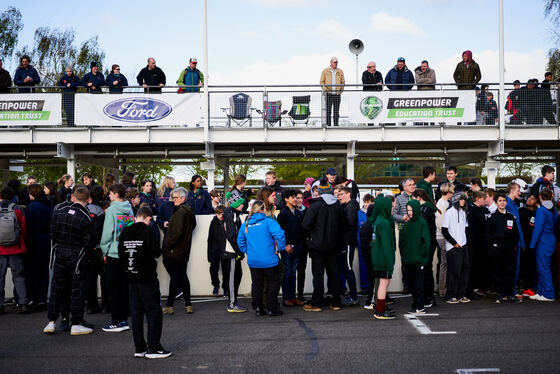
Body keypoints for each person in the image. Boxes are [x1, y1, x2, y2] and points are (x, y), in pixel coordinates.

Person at [118, 206, 171, 359]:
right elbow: (156, 252)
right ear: (148, 219)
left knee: (136, 313)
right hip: (147, 278)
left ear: (136, 217)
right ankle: (153, 348)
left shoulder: (125, 231)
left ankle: (139, 347)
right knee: (154, 312)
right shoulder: (148, 231)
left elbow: (121, 252)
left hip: (131, 277)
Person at [43, 187, 93, 335]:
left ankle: (52, 321)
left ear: (73, 197)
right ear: (87, 200)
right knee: (76, 289)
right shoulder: (85, 216)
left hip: (60, 252)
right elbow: (88, 242)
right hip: (77, 254)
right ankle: (76, 323)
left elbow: (52, 232)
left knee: (57, 288)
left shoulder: (59, 210)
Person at [238, 200, 288, 316]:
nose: (266, 210)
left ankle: (258, 308)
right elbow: (280, 235)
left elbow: (240, 242)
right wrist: (278, 249)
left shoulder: (245, 224)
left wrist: (248, 251)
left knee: (257, 284)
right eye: (264, 208)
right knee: (273, 283)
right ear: (261, 210)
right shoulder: (268, 222)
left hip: (254, 261)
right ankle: (272, 308)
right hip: (269, 260)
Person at [301, 180, 344, 312]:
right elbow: (343, 225)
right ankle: (336, 302)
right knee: (334, 274)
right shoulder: (337, 206)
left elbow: (305, 225)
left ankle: (317, 303)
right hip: (334, 246)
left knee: (318, 275)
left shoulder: (315, 206)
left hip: (317, 246)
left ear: (319, 192)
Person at [100, 184, 135, 332]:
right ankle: (124, 319)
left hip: (114, 253)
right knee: (124, 287)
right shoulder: (129, 208)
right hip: (127, 251)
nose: (109, 196)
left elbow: (107, 233)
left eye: (110, 194)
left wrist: (104, 250)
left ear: (115, 194)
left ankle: (117, 321)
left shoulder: (112, 210)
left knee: (113, 289)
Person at [162, 187, 196, 315]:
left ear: (182, 198)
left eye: (175, 197)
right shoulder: (187, 210)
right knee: (182, 276)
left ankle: (169, 306)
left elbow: (176, 232)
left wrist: (168, 245)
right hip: (184, 249)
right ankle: (188, 305)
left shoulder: (180, 212)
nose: (173, 200)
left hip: (175, 250)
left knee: (176, 277)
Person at [486, 193, 522, 304]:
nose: (502, 202)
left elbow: (516, 234)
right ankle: (499, 294)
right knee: (498, 272)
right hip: (497, 248)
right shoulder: (491, 217)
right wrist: (492, 247)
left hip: (510, 248)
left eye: (504, 200)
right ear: (496, 203)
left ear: (506, 202)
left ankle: (510, 294)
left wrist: (514, 246)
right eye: (500, 200)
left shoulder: (511, 216)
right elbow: (487, 235)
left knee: (510, 272)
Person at [0, 187, 28, 315]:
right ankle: (22, 303)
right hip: (16, 247)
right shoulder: (17, 208)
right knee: (19, 277)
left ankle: (1, 306)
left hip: (0, 249)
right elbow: (23, 226)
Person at [24, 184, 52, 309]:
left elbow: (28, 227)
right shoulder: (48, 206)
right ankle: (42, 297)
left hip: (34, 241)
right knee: (43, 270)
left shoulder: (31, 207)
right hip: (46, 240)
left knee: (33, 271)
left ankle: (34, 297)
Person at [400, 200, 431, 314]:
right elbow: (402, 241)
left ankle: (420, 305)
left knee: (419, 283)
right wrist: (405, 254)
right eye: (408, 210)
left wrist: (422, 255)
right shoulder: (407, 224)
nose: (410, 212)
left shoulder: (422, 223)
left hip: (419, 260)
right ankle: (415, 303)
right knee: (412, 284)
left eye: (412, 210)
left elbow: (426, 241)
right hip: (409, 260)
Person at [369, 196, 397, 320]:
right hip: (383, 259)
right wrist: (390, 263)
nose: (392, 209)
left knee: (381, 283)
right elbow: (386, 245)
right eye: (390, 207)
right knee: (384, 283)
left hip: (377, 257)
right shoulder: (384, 223)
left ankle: (380, 307)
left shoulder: (377, 221)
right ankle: (380, 310)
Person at [529, 188, 558, 302]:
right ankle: (541, 292)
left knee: (543, 268)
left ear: (540, 198)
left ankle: (548, 293)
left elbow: (538, 229)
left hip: (543, 241)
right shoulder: (553, 210)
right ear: (551, 197)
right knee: (543, 267)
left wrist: (532, 244)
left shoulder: (541, 210)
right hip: (551, 239)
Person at [277, 189, 304, 307]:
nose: (295, 199)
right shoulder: (283, 213)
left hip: (297, 246)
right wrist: (286, 245)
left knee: (293, 273)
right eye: (292, 197)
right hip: (287, 248)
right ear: (286, 199)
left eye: (296, 197)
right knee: (287, 273)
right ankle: (286, 298)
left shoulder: (298, 213)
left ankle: (293, 297)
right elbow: (279, 232)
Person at [442, 192, 470, 304]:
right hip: (453, 247)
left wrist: (464, 243)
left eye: (464, 200)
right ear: (455, 200)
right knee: (454, 272)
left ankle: (461, 294)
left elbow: (465, 228)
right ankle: (451, 295)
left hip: (464, 245)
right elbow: (444, 230)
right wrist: (454, 243)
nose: (463, 202)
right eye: (461, 200)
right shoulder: (449, 213)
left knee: (464, 270)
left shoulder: (464, 212)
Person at [412, 188, 438, 308]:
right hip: (431, 242)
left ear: (418, 198)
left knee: (425, 271)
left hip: (426, 244)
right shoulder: (429, 208)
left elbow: (422, 229)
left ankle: (428, 298)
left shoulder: (423, 210)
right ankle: (430, 297)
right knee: (428, 270)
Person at [222, 192, 246, 312]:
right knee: (233, 278)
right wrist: (238, 251)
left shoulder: (233, 215)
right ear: (235, 204)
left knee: (237, 276)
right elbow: (231, 236)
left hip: (234, 252)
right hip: (231, 253)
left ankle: (234, 301)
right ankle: (232, 304)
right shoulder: (231, 216)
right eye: (241, 203)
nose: (243, 205)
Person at [86, 185, 108, 314]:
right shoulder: (101, 211)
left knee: (90, 277)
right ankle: (105, 304)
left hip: (88, 247)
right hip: (100, 247)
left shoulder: (85, 209)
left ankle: (91, 305)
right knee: (104, 277)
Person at [337, 186, 359, 306]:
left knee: (348, 268)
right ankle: (351, 295)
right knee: (345, 269)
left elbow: (349, 224)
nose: (339, 196)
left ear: (348, 194)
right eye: (338, 194)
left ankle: (354, 296)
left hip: (348, 242)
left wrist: (338, 221)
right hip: (344, 242)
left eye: (341, 194)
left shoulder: (350, 206)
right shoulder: (346, 206)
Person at [467, 190, 491, 297]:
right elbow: (471, 228)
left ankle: (481, 288)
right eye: (483, 198)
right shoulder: (471, 210)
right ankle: (472, 288)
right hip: (474, 244)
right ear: (477, 199)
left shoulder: (486, 210)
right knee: (473, 266)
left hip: (484, 244)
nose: (485, 200)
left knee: (483, 266)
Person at [505, 182, 525, 297]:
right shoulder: (507, 204)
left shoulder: (513, 204)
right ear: (512, 191)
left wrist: (521, 242)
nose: (520, 192)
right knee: (511, 267)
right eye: (518, 190)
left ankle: (511, 290)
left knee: (515, 267)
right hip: (512, 242)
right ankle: (510, 291)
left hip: (517, 241)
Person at [518, 192, 539, 297]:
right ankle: (520, 287)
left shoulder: (538, 213)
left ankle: (528, 287)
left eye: (533, 198)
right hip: (522, 242)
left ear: (537, 202)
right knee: (521, 265)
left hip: (532, 243)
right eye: (529, 197)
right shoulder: (520, 211)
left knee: (531, 265)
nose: (529, 199)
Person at [436, 183, 454, 297]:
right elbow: (441, 224)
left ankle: (443, 288)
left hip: (442, 237)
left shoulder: (443, 203)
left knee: (444, 263)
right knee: (445, 264)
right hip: (443, 237)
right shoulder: (443, 204)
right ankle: (443, 290)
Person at [207, 205, 229, 296]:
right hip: (215, 250)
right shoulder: (213, 223)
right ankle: (216, 285)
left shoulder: (227, 222)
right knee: (213, 269)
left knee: (226, 270)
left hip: (225, 250)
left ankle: (225, 288)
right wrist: (209, 254)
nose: (219, 216)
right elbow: (210, 238)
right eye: (218, 214)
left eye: (221, 214)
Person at [319, 56, 345, 126]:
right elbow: (321, 81)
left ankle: (336, 124)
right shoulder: (325, 71)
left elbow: (343, 82)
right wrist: (325, 89)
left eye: (336, 62)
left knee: (336, 111)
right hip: (328, 93)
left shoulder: (340, 71)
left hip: (337, 94)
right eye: (334, 62)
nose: (335, 63)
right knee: (328, 110)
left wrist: (340, 90)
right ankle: (328, 125)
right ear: (330, 62)